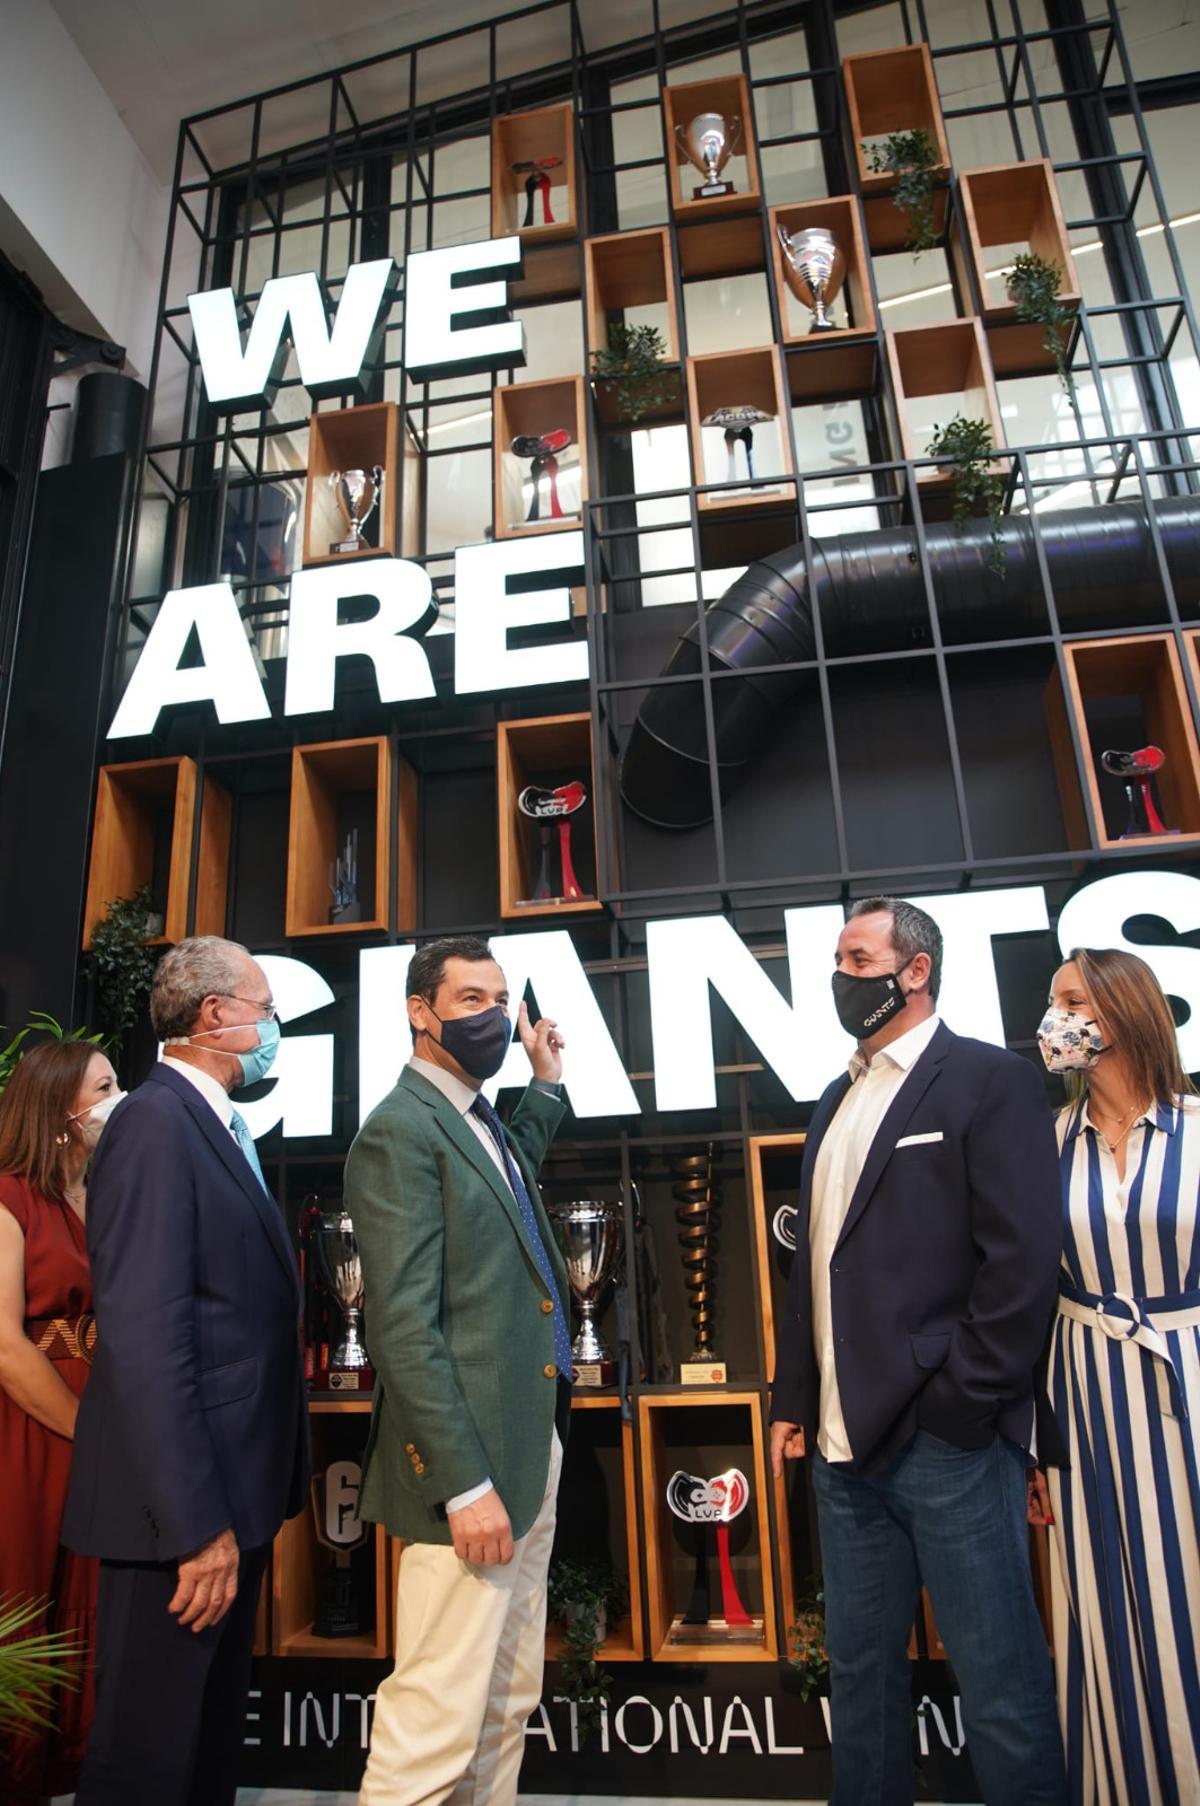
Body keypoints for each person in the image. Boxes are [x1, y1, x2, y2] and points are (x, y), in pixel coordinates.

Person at [770, 895, 1067, 1806]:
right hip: (840, 1452)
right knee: (860, 1686)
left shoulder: (988, 1080)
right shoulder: (834, 1100)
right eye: (838, 960)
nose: (838, 977)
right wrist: (793, 1396)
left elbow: (1020, 1263)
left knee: (1003, 1688)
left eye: (857, 959)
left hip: (950, 1447)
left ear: (916, 969)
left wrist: (961, 1407)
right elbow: (815, 1261)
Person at [63, 936, 309, 1806]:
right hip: (175, 1519)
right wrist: (196, 1524)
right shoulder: (155, 1124)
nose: (273, 1026)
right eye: (266, 1008)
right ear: (217, 1017)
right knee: (147, 1760)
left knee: (202, 1756)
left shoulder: (207, 1121)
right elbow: (146, 1336)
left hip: (227, 1498)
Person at [346, 933, 570, 1806]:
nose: (492, 1016)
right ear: (420, 1011)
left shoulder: (476, 1119)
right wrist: (463, 1481)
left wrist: (543, 1085)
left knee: (507, 1698)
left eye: (499, 1000)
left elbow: (504, 1213)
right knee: (437, 1713)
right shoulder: (400, 1130)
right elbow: (402, 1325)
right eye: (470, 999)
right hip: (472, 1472)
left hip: (529, 1443)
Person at [1027, 947, 1200, 1805]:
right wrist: (1032, 1440)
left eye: (1067, 1000)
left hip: (1190, 1382)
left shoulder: (1198, 1131)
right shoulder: (1046, 1145)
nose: (1052, 1019)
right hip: (1085, 1394)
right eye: (1054, 1001)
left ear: (1120, 1013)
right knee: (1108, 1605)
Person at [0, 1038, 120, 1805]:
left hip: (104, 1417)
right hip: (32, 1429)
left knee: (92, 1597)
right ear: (60, 1111)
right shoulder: (9, 1198)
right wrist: (86, 1430)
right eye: (106, 1086)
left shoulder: (106, 1196)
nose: (122, 1097)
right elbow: (5, 1346)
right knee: (27, 1581)